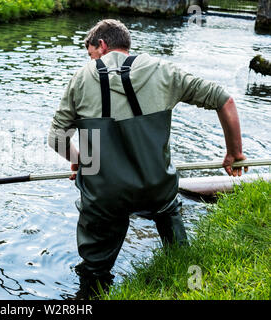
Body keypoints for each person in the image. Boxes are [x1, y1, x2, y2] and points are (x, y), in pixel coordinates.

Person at [47, 19, 247, 298]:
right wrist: (234, 152)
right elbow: (225, 101)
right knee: (168, 212)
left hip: (104, 194)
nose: (92, 60)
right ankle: (191, 282)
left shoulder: (81, 77)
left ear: (101, 46)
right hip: (157, 188)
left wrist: (82, 160)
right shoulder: (163, 70)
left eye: (91, 53)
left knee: (94, 267)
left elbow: (56, 137)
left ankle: (92, 289)